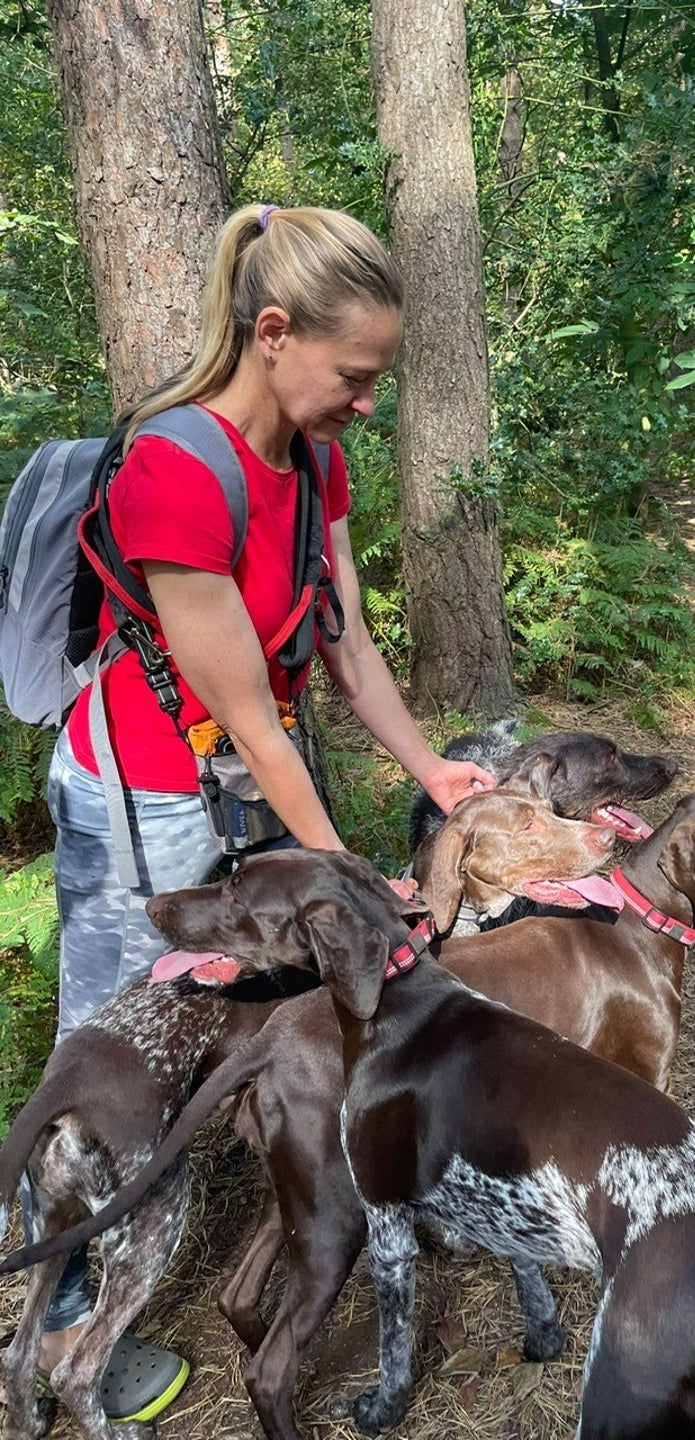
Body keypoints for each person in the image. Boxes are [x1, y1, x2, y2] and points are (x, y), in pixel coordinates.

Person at [34, 203, 495, 1420]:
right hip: (139, 794)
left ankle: (284, 1181)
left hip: (244, 778)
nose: (367, 402)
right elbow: (244, 712)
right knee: (109, 1057)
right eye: (356, 375)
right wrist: (345, 869)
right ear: (275, 332)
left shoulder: (317, 462)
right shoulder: (175, 471)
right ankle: (63, 1311)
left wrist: (430, 770)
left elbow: (344, 651)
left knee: (269, 1005)